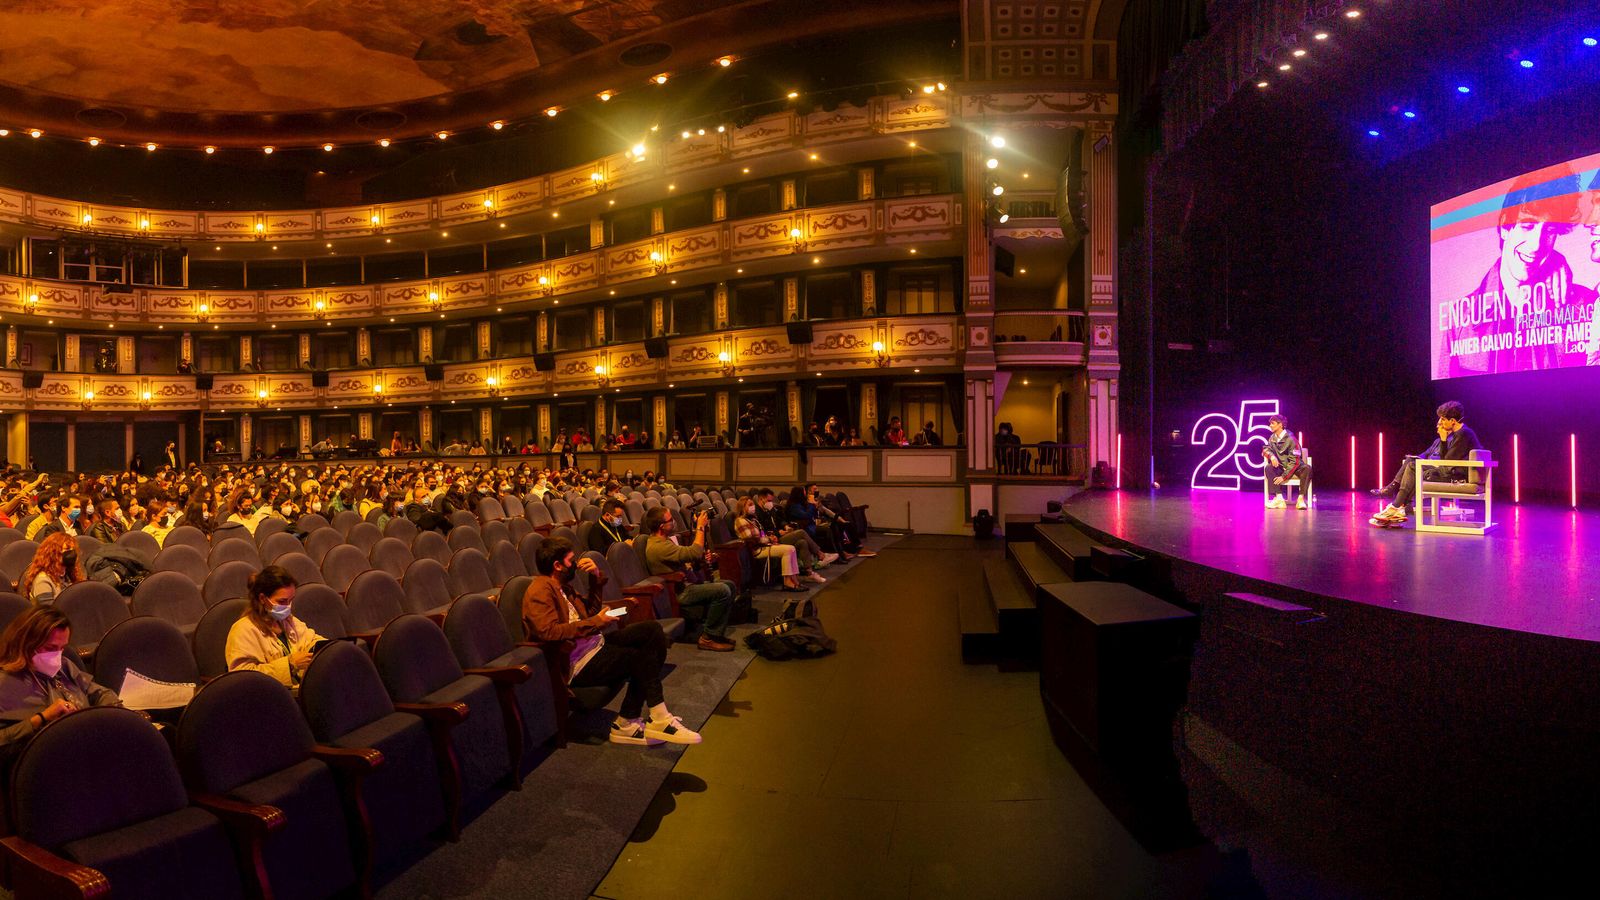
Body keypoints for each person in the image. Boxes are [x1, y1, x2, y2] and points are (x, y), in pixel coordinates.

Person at [521, 537, 701, 746]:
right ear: (558, 565)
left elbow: (589, 612)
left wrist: (595, 578)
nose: (576, 565)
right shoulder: (540, 590)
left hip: (594, 644)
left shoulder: (563, 587)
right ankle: (654, 717)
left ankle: (629, 719)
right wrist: (596, 622)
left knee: (651, 630)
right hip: (577, 663)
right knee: (640, 657)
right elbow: (548, 632)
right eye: (571, 560)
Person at [0, 606, 123, 751]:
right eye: (50, 648)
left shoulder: (65, 665)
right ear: (26, 643)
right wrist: (42, 718)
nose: (57, 656)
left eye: (62, 648)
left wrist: (110, 714)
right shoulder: (5, 683)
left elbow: (101, 693)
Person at [1370, 401, 1483, 527]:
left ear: (1452, 421)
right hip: (1449, 472)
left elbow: (1447, 460)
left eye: (1443, 419)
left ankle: (1397, 507)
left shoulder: (1464, 434)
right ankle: (1399, 508)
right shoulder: (1460, 433)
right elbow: (1446, 460)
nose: (1440, 422)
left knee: (1414, 468)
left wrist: (1443, 439)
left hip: (1457, 476)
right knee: (1413, 466)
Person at [640, 507, 735, 651]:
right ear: (662, 526)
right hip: (678, 592)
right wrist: (700, 527)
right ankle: (708, 638)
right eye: (670, 520)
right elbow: (694, 552)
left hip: (687, 584)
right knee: (723, 590)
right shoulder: (658, 547)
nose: (674, 521)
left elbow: (688, 559)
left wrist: (702, 559)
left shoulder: (665, 541)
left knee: (730, 585)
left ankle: (716, 633)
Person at [225, 566, 322, 690]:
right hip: (267, 695)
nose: (288, 606)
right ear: (263, 599)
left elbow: (312, 639)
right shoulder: (243, 630)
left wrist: (322, 648)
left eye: (291, 600)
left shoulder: (287, 620)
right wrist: (290, 664)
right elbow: (243, 678)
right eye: (282, 601)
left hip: (296, 690)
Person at [733, 496, 809, 591]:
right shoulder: (740, 521)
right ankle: (787, 582)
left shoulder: (753, 519)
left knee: (791, 548)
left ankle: (794, 580)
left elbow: (761, 535)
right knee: (789, 549)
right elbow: (750, 539)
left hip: (763, 546)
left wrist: (771, 538)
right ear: (743, 507)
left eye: (753, 504)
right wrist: (768, 539)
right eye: (750, 505)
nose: (753, 506)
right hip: (755, 550)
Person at [1261, 415, 1313, 510]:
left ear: (1280, 425)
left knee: (1307, 468)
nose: (1270, 425)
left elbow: (1295, 461)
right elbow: (1266, 449)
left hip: (1295, 467)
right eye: (1270, 423)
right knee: (1269, 468)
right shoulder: (1272, 438)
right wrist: (1272, 456)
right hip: (1282, 466)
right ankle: (1279, 499)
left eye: (1272, 423)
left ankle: (1301, 499)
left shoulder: (1291, 439)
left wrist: (1284, 477)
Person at [19, 534, 85, 605]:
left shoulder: (69, 574)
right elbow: (49, 609)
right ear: (53, 553)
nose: (72, 553)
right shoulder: (43, 580)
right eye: (67, 549)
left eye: (73, 549)